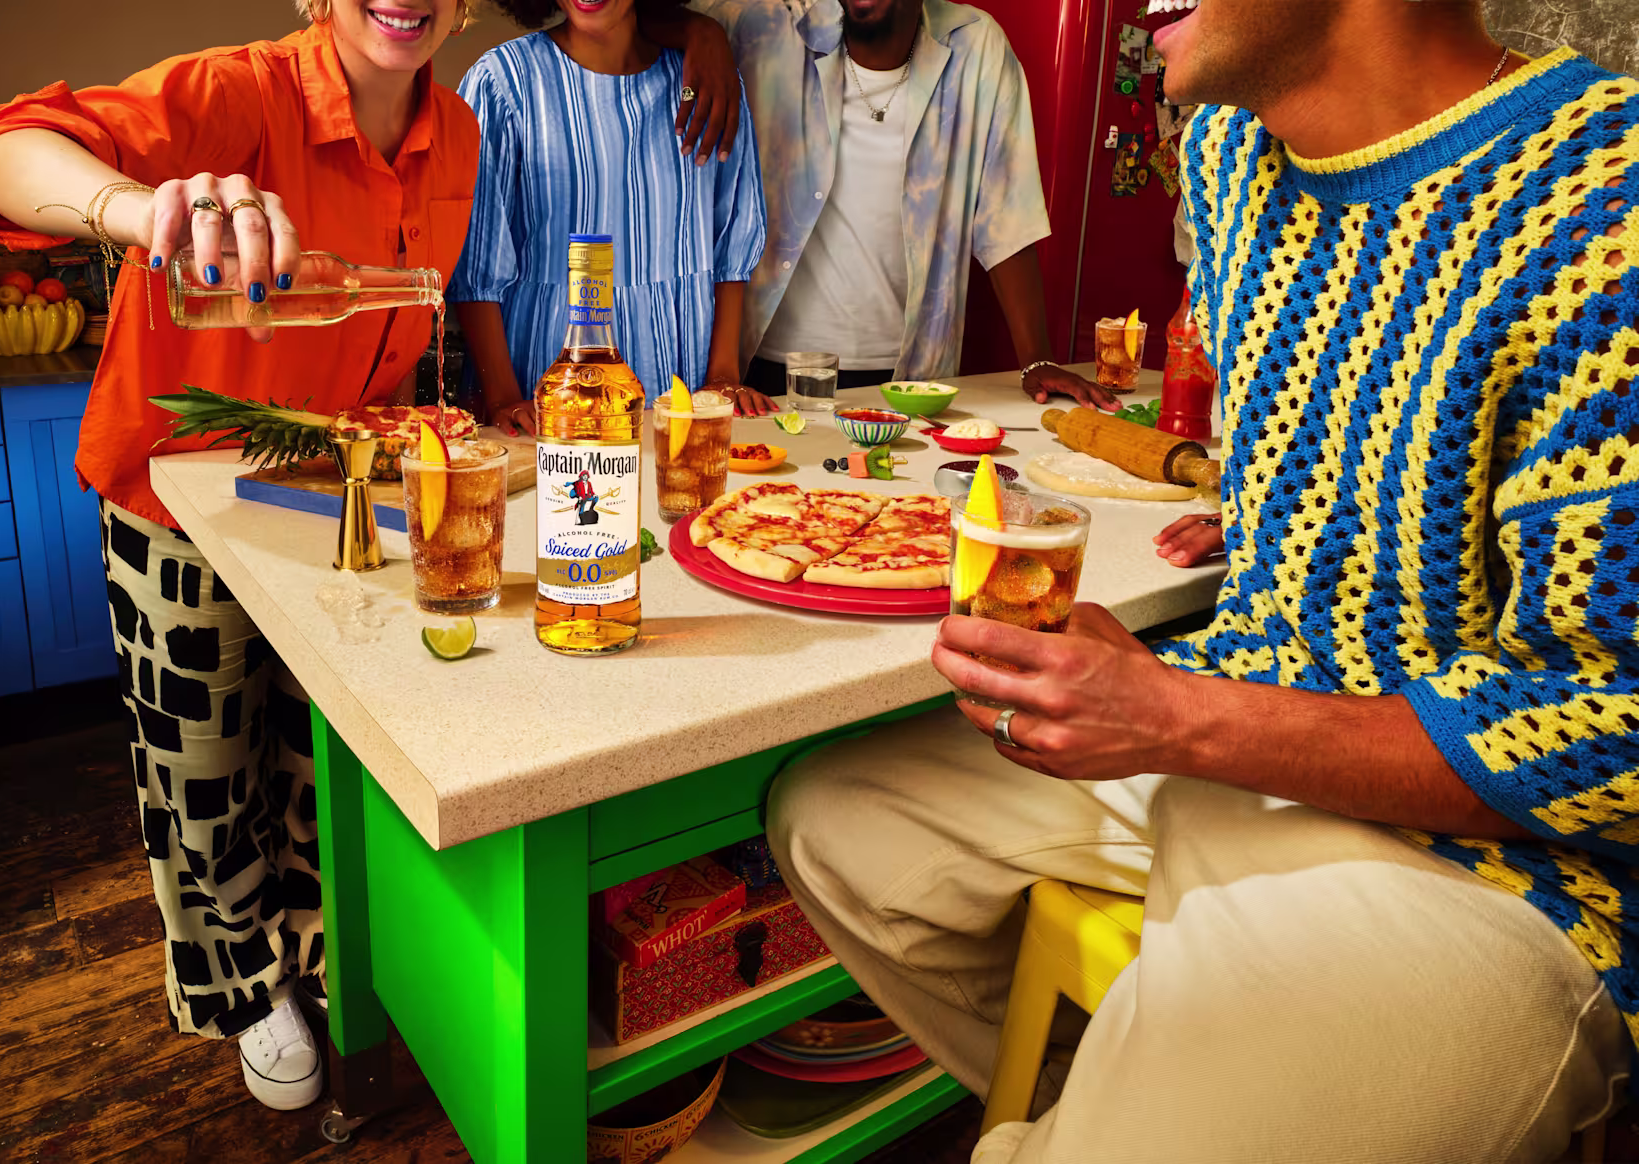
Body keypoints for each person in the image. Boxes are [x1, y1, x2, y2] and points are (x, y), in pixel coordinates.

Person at [766, 0, 1639, 1158]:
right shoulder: (1228, 155)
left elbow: (1613, 737)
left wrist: (1184, 718)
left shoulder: (1600, 200)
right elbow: (1335, 390)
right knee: (835, 820)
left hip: (1502, 876)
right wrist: (1297, 505)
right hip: (1232, 728)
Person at [0, 0, 482, 1112]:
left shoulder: (458, 132)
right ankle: (239, 986)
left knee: (319, 754)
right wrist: (142, 210)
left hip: (330, 494)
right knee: (201, 763)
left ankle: (324, 954)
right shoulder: (237, 92)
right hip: (177, 498)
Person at [686, 0, 1116, 409]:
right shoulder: (766, 25)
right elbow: (632, 19)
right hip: (761, 370)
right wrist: (699, 30)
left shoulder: (976, 46)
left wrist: (1037, 360)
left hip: (908, 377)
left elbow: (1007, 217)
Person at [447, 0, 771, 434]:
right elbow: (475, 263)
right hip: (544, 395)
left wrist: (723, 379)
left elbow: (732, 240)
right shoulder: (505, 82)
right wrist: (503, 396)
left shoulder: (702, 82)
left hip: (682, 391)